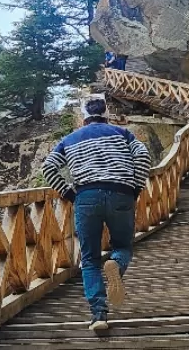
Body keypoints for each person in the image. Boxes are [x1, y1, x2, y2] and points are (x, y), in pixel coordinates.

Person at [42, 94, 151, 335]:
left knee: (90, 258)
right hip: (121, 194)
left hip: (86, 197)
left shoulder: (69, 139)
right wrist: (134, 187)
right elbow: (143, 157)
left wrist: (69, 194)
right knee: (123, 246)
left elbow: (48, 167)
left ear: (84, 116)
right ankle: (116, 264)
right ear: (106, 113)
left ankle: (98, 315)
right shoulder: (122, 134)